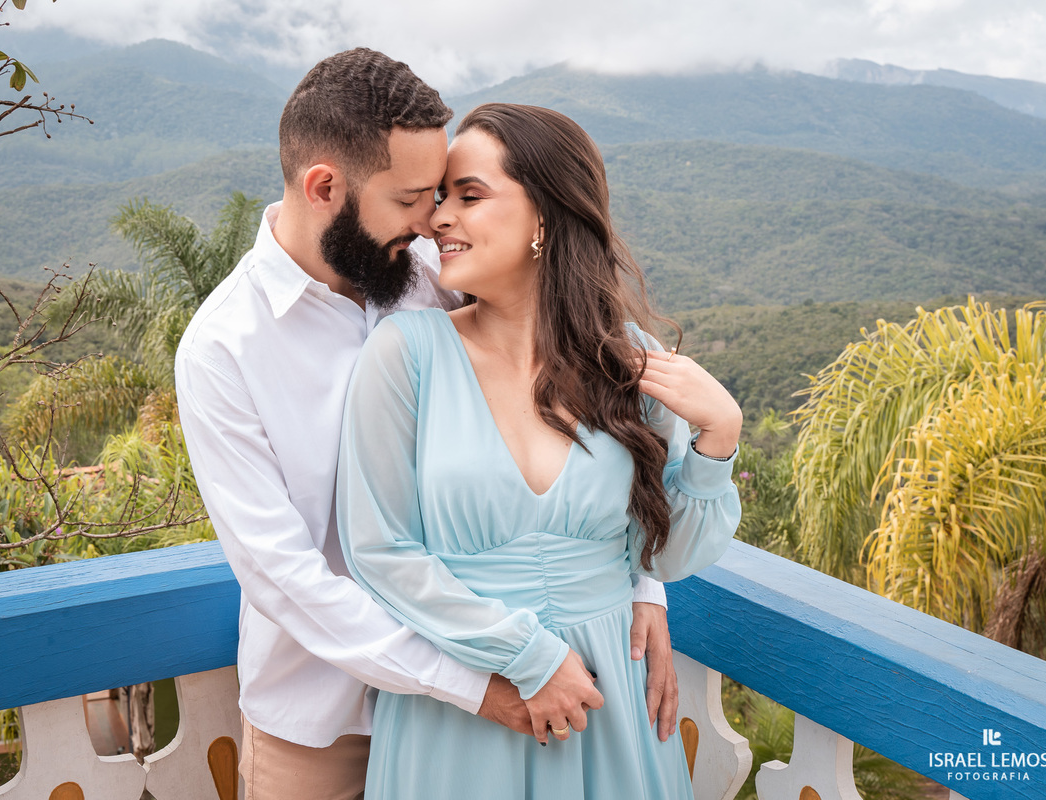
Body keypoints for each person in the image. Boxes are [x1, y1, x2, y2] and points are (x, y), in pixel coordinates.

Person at [175, 50, 680, 800]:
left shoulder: (431, 277)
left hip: (512, 690)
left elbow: (579, 421)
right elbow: (287, 577)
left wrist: (641, 585)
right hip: (330, 725)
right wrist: (478, 685)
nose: (430, 221)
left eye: (443, 193)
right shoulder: (223, 350)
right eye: (414, 197)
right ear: (324, 188)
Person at [336, 102, 743, 799]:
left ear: (546, 218)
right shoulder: (405, 355)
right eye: (438, 200)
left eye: (469, 196)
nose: (437, 220)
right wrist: (529, 656)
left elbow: (665, 556)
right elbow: (380, 552)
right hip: (467, 707)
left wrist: (719, 438)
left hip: (611, 698)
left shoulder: (631, 360)